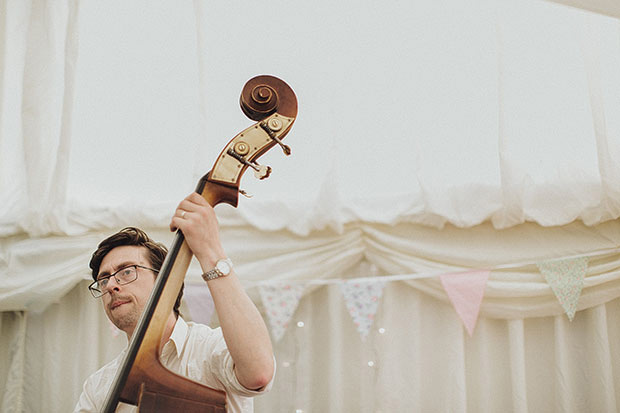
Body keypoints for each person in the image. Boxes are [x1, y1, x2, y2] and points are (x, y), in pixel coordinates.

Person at [74, 192, 275, 412]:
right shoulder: (98, 386)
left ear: (164, 283)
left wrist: (210, 250)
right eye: (103, 280)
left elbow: (258, 374)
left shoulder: (211, 349)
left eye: (127, 271)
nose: (111, 285)